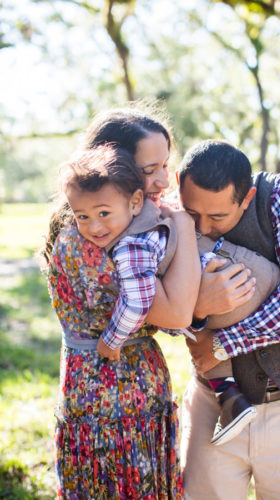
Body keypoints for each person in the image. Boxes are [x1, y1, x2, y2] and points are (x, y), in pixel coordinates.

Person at [40, 106, 213, 500]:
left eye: (165, 166)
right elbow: (175, 313)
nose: (162, 181)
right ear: (110, 166)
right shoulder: (87, 236)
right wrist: (183, 224)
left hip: (136, 389)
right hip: (110, 397)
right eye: (148, 170)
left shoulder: (128, 226)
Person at [178, 139, 280, 499]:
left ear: (246, 197)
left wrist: (225, 344)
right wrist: (197, 310)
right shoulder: (173, 216)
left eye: (217, 217)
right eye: (192, 213)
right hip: (210, 408)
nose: (202, 227)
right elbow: (158, 306)